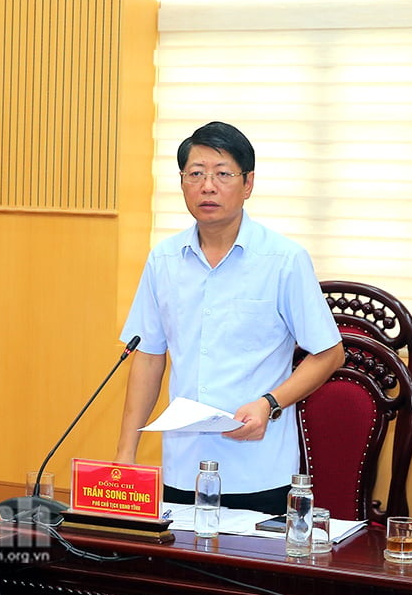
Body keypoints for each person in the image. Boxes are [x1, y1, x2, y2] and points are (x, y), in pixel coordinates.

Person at [114, 121, 345, 514]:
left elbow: (330, 354)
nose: (208, 186)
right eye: (196, 174)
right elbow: (149, 356)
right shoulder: (164, 260)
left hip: (258, 469)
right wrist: (125, 453)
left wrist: (270, 402)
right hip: (181, 465)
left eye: (222, 174)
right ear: (182, 182)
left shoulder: (283, 260)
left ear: (248, 183)